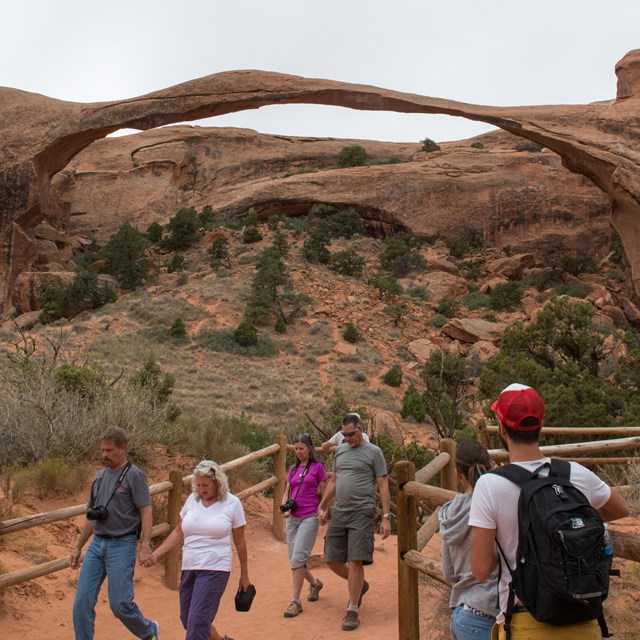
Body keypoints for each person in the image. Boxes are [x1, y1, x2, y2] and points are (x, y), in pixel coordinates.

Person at [469, 383, 631, 640]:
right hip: (585, 622)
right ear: (540, 425)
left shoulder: (490, 485)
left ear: (501, 427)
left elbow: (480, 569)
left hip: (527, 622)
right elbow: (621, 508)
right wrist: (573, 523)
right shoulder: (574, 473)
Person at [143, 460, 250, 640]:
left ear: (218, 483)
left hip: (215, 568)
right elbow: (178, 532)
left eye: (206, 485)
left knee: (198, 621)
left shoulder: (232, 503)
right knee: (188, 619)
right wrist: (156, 554)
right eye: (198, 485)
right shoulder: (193, 500)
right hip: (190, 567)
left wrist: (244, 575)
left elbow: (240, 541)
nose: (202, 489)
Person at [69, 427, 158, 640]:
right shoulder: (99, 477)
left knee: (120, 605)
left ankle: (149, 632)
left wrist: (144, 544)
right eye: (102, 451)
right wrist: (78, 546)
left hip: (122, 544)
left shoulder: (134, 475)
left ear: (122, 448)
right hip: (97, 544)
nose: (105, 455)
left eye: (109, 450)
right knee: (81, 603)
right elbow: (92, 517)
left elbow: (146, 511)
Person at [317, 412, 392, 632]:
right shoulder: (340, 452)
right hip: (340, 511)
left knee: (356, 559)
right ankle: (360, 586)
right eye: (344, 434)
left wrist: (386, 517)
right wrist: (323, 505)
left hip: (362, 511)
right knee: (331, 559)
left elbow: (384, 485)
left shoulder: (374, 452)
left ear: (360, 430)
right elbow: (334, 481)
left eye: (350, 434)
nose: (347, 438)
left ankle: (352, 609)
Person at [439, 439, 498, 640]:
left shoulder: (448, 513)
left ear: (458, 474)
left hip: (462, 614)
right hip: (489, 613)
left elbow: (449, 572)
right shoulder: (494, 504)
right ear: (490, 468)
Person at [281, 433, 328, 618]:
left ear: (309, 449)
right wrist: (284, 506)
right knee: (295, 559)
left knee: (297, 559)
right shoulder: (292, 469)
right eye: (296, 449)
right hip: (293, 518)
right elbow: (287, 491)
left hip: (309, 517)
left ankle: (295, 601)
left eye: (301, 448)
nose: (298, 452)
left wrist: (323, 511)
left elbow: (324, 493)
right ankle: (315, 583)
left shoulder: (318, 468)